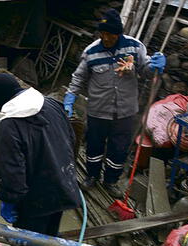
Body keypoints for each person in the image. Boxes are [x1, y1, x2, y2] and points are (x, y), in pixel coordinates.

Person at [0, 73, 81, 246]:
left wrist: (11, 199)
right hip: (63, 183)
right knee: (50, 233)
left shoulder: (11, 125)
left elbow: (13, 170)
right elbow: (72, 139)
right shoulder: (51, 104)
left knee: (25, 240)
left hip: (37, 195)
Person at [64, 9, 166, 198]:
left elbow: (145, 72)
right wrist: (70, 97)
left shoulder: (135, 47)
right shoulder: (91, 52)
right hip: (98, 110)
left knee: (119, 149)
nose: (105, 38)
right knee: (94, 146)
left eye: (110, 34)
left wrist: (154, 66)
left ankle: (110, 181)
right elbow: (78, 77)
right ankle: (91, 176)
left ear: (118, 33)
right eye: (102, 34)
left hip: (125, 111)